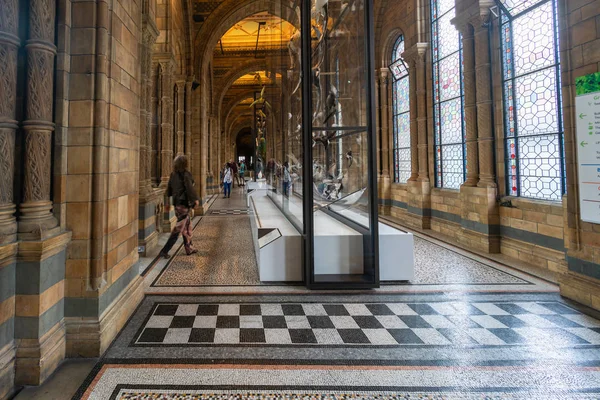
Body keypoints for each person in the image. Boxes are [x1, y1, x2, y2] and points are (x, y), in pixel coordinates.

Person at [159, 155, 199, 258]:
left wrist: (167, 204)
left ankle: (189, 247)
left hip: (177, 205)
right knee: (178, 230)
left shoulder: (173, 175)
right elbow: (190, 188)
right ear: (185, 163)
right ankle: (164, 250)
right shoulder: (186, 175)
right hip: (184, 205)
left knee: (186, 226)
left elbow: (168, 190)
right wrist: (195, 200)